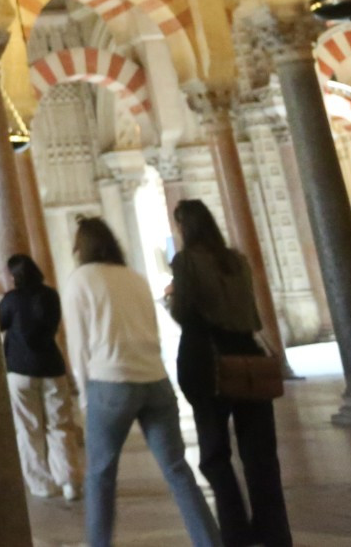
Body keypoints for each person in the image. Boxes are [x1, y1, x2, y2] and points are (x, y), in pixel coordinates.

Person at [64, 216, 220, 547]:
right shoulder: (135, 278)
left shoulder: (81, 279)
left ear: (82, 246)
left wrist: (85, 396)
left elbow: (78, 346)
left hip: (111, 382)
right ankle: (209, 541)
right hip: (155, 381)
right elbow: (153, 329)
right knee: (178, 471)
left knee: (100, 476)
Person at [169, 199, 291, 547]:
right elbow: (253, 317)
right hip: (248, 359)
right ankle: (274, 533)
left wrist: (172, 303)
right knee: (261, 455)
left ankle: (236, 534)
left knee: (214, 453)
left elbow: (184, 312)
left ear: (184, 227)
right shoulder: (237, 261)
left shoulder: (186, 261)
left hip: (209, 362)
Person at [0, 253, 82, 501]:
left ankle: (41, 484)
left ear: (14, 275)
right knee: (60, 425)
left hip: (20, 371)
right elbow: (53, 326)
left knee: (28, 429)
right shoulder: (50, 295)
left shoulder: (11, 300)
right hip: (51, 368)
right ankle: (69, 482)